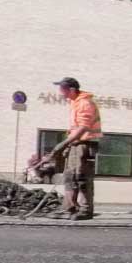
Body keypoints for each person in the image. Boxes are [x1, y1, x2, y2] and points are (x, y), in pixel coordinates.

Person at [29, 77, 102, 220]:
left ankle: (85, 210)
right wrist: (69, 144)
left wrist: (62, 145)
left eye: (63, 90)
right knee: (70, 177)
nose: (61, 93)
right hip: (76, 144)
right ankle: (69, 208)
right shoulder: (76, 103)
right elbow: (76, 128)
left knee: (81, 177)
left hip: (85, 145)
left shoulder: (85, 103)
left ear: (72, 90)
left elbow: (83, 127)